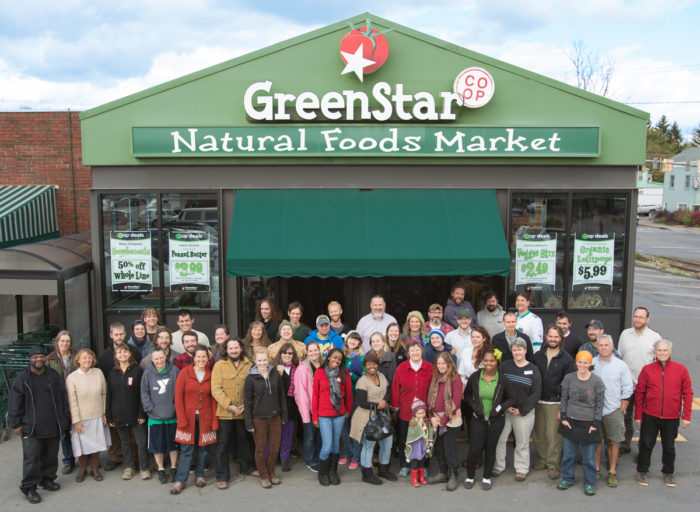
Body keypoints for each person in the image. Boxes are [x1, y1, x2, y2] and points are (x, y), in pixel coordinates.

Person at [8, 347, 70, 504]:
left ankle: (47, 479)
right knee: (32, 459)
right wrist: (15, 423)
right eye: (35, 357)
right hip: (31, 426)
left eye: (41, 357)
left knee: (51, 457)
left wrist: (64, 419)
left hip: (52, 424)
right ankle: (29, 487)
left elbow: (63, 397)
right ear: (30, 359)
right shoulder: (23, 378)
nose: (39, 359)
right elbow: (14, 402)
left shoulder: (53, 376)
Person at [635, 340, 693, 488]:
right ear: (655, 352)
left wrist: (686, 416)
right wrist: (638, 415)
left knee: (669, 446)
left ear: (670, 352)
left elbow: (688, 393)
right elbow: (640, 393)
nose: (662, 353)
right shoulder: (647, 370)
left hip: (671, 416)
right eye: (659, 350)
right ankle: (642, 470)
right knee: (646, 444)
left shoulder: (681, 370)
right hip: (650, 415)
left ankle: (668, 472)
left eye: (665, 350)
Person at [463, 349, 515, 491]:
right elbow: (467, 394)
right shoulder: (475, 377)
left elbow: (511, 398)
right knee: (475, 449)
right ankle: (470, 476)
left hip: (496, 420)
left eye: (492, 360)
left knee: (490, 449)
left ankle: (486, 477)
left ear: (497, 362)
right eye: (486, 360)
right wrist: (474, 406)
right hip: (478, 419)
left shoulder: (502, 379)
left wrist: (499, 408)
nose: (488, 363)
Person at [557, 350, 606, 496]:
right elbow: (564, 399)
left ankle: (590, 483)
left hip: (589, 423)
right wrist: (564, 417)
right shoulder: (569, 378)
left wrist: (596, 422)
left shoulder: (597, 381)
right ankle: (567, 478)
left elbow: (600, 403)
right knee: (569, 455)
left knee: (589, 458)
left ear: (590, 364)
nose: (582, 365)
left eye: (585, 362)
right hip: (570, 422)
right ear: (576, 363)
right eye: (580, 362)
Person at [171, 345, 218, 494]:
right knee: (186, 450)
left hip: (206, 417)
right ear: (194, 358)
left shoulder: (211, 375)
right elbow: (178, 398)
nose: (201, 359)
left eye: (204, 357)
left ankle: (200, 475)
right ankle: (180, 480)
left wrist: (214, 420)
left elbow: (213, 399)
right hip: (187, 418)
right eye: (198, 356)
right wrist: (181, 418)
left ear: (208, 358)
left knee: (204, 448)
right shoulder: (184, 373)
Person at [531, 324, 576, 480]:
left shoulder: (567, 359)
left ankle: (553, 465)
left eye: (556, 336)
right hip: (538, 401)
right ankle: (543, 459)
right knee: (539, 434)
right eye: (550, 336)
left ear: (561, 338)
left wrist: (563, 408)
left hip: (555, 403)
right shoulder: (537, 356)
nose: (552, 339)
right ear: (546, 337)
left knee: (553, 436)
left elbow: (569, 385)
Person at [494, 337, 541, 482]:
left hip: (523, 412)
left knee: (522, 441)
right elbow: (499, 388)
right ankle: (498, 465)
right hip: (506, 410)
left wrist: (522, 410)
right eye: (514, 349)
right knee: (500, 439)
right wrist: (505, 406)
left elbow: (536, 394)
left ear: (525, 350)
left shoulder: (533, 370)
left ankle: (521, 468)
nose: (517, 352)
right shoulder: (505, 367)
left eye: (520, 349)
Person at [211, 338, 256, 489]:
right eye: (231, 348)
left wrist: (246, 404)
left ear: (241, 348)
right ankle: (222, 475)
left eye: (236, 348)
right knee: (223, 444)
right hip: (226, 412)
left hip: (243, 411)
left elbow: (253, 387)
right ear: (226, 350)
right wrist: (228, 405)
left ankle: (247, 467)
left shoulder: (249, 365)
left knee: (244, 440)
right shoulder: (219, 366)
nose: (234, 351)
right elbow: (215, 389)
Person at [618, 306, 662, 454]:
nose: (637, 319)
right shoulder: (625, 334)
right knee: (626, 417)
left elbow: (659, 362)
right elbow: (620, 356)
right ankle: (625, 443)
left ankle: (643, 449)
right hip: (627, 384)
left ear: (647, 319)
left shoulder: (655, 337)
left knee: (644, 420)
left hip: (646, 386)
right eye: (635, 316)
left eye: (641, 317)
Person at [592, 334, 634, 488]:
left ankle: (612, 471)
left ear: (612, 347)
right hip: (594, 410)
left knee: (613, 442)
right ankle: (596, 469)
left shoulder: (620, 366)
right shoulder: (591, 363)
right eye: (600, 345)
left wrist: (622, 410)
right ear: (596, 346)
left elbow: (627, 389)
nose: (603, 348)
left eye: (606, 345)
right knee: (596, 442)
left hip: (613, 410)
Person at [349, 352, 396, 485]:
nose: (372, 366)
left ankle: (383, 469)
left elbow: (388, 392)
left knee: (387, 443)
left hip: (382, 416)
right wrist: (378, 404)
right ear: (365, 366)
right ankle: (367, 473)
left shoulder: (381, 376)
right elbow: (362, 402)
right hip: (366, 417)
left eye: (374, 363)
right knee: (369, 445)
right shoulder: (362, 381)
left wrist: (384, 401)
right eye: (368, 364)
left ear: (378, 365)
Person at [244, 348, 288, 489]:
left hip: (275, 417)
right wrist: (249, 422)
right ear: (255, 361)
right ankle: (263, 475)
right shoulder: (250, 379)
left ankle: (271, 472)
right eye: (259, 360)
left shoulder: (275, 374)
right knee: (260, 449)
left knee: (274, 448)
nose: (262, 363)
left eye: (264, 360)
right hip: (258, 419)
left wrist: (284, 414)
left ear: (268, 360)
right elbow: (247, 402)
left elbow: (281, 395)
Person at [65, 348, 110, 483]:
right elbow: (71, 401)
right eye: (84, 358)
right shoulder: (72, 377)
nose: (87, 360)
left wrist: (104, 413)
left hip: (97, 415)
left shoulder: (98, 373)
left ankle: (95, 468)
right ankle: (83, 468)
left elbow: (104, 394)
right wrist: (76, 420)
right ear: (78, 360)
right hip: (82, 418)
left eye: (89, 358)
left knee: (96, 445)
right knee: (82, 446)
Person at [106, 344, 149, 481]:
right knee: (125, 443)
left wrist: (142, 413)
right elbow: (109, 395)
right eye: (119, 352)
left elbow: (143, 394)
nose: (123, 354)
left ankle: (144, 468)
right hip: (118, 414)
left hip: (136, 415)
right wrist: (109, 416)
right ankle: (129, 467)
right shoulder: (112, 373)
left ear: (130, 354)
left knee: (141, 443)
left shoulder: (137, 371)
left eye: (125, 351)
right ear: (116, 355)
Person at [391, 341, 433, 477]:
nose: (415, 352)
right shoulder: (401, 368)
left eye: (417, 350)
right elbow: (395, 389)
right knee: (404, 439)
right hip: (405, 411)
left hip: (424, 412)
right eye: (412, 350)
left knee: (424, 440)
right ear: (408, 353)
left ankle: (424, 466)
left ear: (422, 352)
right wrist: (395, 408)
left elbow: (433, 390)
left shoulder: (430, 368)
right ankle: (405, 465)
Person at [312, 348, 353, 486]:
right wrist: (315, 417)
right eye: (334, 357)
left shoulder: (344, 374)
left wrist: (348, 409)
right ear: (328, 357)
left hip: (339, 414)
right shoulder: (319, 373)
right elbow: (315, 396)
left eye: (340, 359)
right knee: (327, 445)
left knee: (336, 445)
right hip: (323, 415)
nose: (337, 361)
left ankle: (332, 472)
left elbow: (349, 394)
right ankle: (322, 473)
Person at [140, 347, 180, 485]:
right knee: (157, 446)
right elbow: (144, 393)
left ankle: (174, 468)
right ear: (152, 359)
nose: (159, 361)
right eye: (156, 358)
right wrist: (150, 409)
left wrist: (176, 408)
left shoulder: (174, 371)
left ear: (165, 357)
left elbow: (180, 391)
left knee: (173, 445)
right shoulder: (147, 374)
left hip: (172, 415)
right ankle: (161, 469)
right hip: (155, 418)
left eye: (161, 357)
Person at [426, 352, 463, 491]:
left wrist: (443, 419)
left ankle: (454, 474)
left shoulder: (455, 378)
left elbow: (456, 403)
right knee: (440, 449)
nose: (441, 366)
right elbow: (430, 399)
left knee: (449, 449)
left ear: (449, 364)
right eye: (439, 363)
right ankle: (443, 473)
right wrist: (431, 416)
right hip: (436, 419)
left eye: (444, 363)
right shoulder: (435, 377)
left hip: (450, 419)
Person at [46, 330, 77, 475]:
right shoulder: (49, 360)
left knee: (79, 428)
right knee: (64, 431)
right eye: (62, 341)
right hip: (59, 399)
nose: (65, 344)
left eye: (67, 341)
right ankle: (68, 460)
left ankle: (86, 457)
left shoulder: (77, 356)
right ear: (57, 342)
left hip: (76, 397)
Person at [294, 341, 323, 472]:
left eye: (315, 350)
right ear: (307, 352)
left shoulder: (323, 365)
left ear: (319, 350)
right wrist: (305, 414)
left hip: (323, 408)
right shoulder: (302, 368)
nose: (313, 353)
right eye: (310, 351)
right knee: (310, 435)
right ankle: (310, 460)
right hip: (310, 409)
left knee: (320, 435)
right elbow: (301, 393)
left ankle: (318, 458)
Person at [272, 343, 299, 473]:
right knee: (276, 433)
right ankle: (275, 456)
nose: (287, 355)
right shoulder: (274, 369)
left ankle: (284, 459)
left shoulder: (297, 368)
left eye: (290, 353)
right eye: (284, 352)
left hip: (292, 405)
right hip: (277, 405)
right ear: (280, 354)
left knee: (288, 434)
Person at [340, 331, 363, 468]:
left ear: (359, 343)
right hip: (342, 397)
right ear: (347, 340)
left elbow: (364, 379)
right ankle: (347, 454)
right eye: (351, 339)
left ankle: (356, 457)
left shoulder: (361, 358)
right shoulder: (341, 356)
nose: (352, 342)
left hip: (355, 397)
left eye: (356, 340)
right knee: (344, 428)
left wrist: (352, 376)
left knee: (355, 428)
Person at [405, 398, 434, 488]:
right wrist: (419, 425)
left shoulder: (427, 421)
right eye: (419, 413)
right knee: (414, 462)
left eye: (423, 413)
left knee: (422, 461)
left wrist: (434, 429)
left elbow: (430, 430)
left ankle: (421, 477)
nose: (421, 415)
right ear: (414, 414)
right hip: (415, 446)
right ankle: (414, 479)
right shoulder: (413, 422)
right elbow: (412, 433)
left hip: (422, 445)